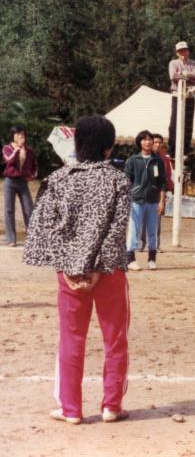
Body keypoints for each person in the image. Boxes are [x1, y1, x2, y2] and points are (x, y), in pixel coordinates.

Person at [23, 115, 131, 425]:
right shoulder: (117, 180)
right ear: (109, 148)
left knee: (71, 338)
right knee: (115, 338)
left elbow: (46, 229)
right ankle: (112, 405)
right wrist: (98, 267)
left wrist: (69, 266)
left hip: (69, 273)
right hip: (109, 270)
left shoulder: (58, 179)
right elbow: (116, 229)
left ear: (77, 143)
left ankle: (71, 408)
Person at [124, 130, 166, 271]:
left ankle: (152, 259)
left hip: (153, 201)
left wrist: (162, 201)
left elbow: (162, 183)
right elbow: (126, 181)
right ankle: (130, 259)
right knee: (134, 230)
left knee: (152, 231)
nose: (148, 142)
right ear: (139, 142)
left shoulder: (158, 161)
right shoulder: (133, 160)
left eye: (150, 140)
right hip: (136, 200)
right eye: (145, 139)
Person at [3, 126, 37, 247]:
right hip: (10, 181)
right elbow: (8, 160)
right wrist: (16, 150)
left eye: (23, 134)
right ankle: (11, 239)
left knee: (29, 209)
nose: (22, 136)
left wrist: (32, 176)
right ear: (14, 136)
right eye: (19, 134)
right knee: (9, 210)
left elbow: (34, 166)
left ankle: (32, 238)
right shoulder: (7, 148)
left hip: (23, 181)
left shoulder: (29, 150)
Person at [139, 133, 172, 252]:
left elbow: (167, 177)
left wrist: (164, 195)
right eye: (155, 142)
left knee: (156, 220)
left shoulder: (165, 160)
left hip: (158, 194)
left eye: (160, 142)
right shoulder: (142, 157)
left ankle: (155, 245)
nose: (157, 145)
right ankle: (141, 244)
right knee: (142, 220)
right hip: (143, 193)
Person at [167, 41, 195, 158]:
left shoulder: (194, 63)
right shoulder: (173, 63)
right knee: (174, 123)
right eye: (180, 51)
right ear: (177, 53)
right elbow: (173, 77)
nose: (183, 53)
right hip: (177, 95)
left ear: (188, 51)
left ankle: (186, 150)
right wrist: (187, 76)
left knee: (188, 123)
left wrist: (182, 73)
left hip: (190, 96)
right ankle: (171, 150)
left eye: (184, 50)